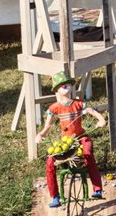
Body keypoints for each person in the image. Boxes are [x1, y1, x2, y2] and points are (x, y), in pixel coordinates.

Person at [38, 72, 106, 207]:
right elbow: (49, 124)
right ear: (57, 89)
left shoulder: (78, 104)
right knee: (50, 162)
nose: (66, 88)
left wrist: (101, 119)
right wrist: (41, 134)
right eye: (63, 86)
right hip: (66, 142)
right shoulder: (55, 107)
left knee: (88, 154)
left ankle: (97, 189)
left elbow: (92, 111)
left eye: (68, 85)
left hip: (81, 138)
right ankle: (55, 196)